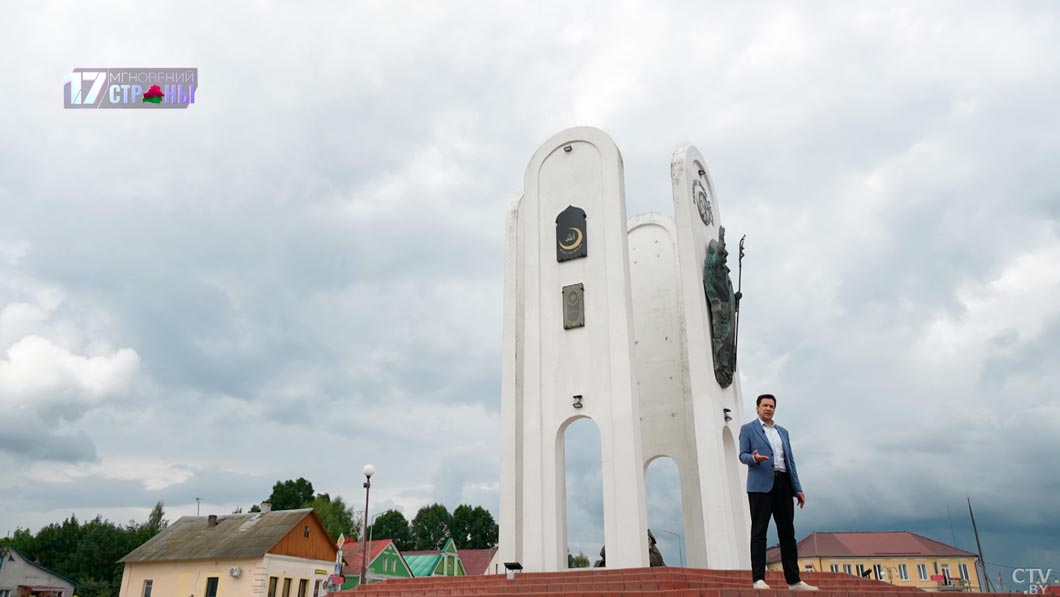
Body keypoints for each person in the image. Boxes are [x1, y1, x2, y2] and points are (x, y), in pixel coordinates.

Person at [739, 393, 818, 591]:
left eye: (771, 406)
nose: (768, 408)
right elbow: (742, 455)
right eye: (764, 405)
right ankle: (758, 579)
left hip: (783, 483)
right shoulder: (748, 429)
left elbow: (790, 461)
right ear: (757, 408)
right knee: (759, 532)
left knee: (787, 533)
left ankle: (794, 580)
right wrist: (754, 458)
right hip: (760, 486)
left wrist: (797, 488)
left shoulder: (783, 432)